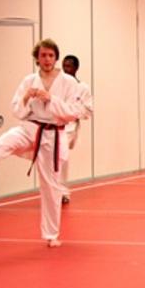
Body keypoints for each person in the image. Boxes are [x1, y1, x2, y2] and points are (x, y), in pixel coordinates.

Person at [0, 39, 86, 247]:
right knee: (2, 144)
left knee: (50, 186)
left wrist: (50, 99)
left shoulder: (69, 83)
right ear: (37, 58)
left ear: (56, 58)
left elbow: (72, 112)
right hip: (30, 128)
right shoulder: (29, 81)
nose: (47, 59)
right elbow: (17, 111)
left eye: (51, 55)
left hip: (52, 135)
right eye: (43, 55)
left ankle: (51, 235)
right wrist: (26, 97)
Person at [60, 54, 93, 204]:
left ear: (76, 68)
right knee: (58, 158)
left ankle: (63, 191)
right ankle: (59, 191)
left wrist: (73, 112)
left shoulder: (83, 88)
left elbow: (88, 111)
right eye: (64, 66)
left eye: (69, 66)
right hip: (55, 127)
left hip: (70, 127)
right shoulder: (57, 85)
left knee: (62, 156)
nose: (65, 69)